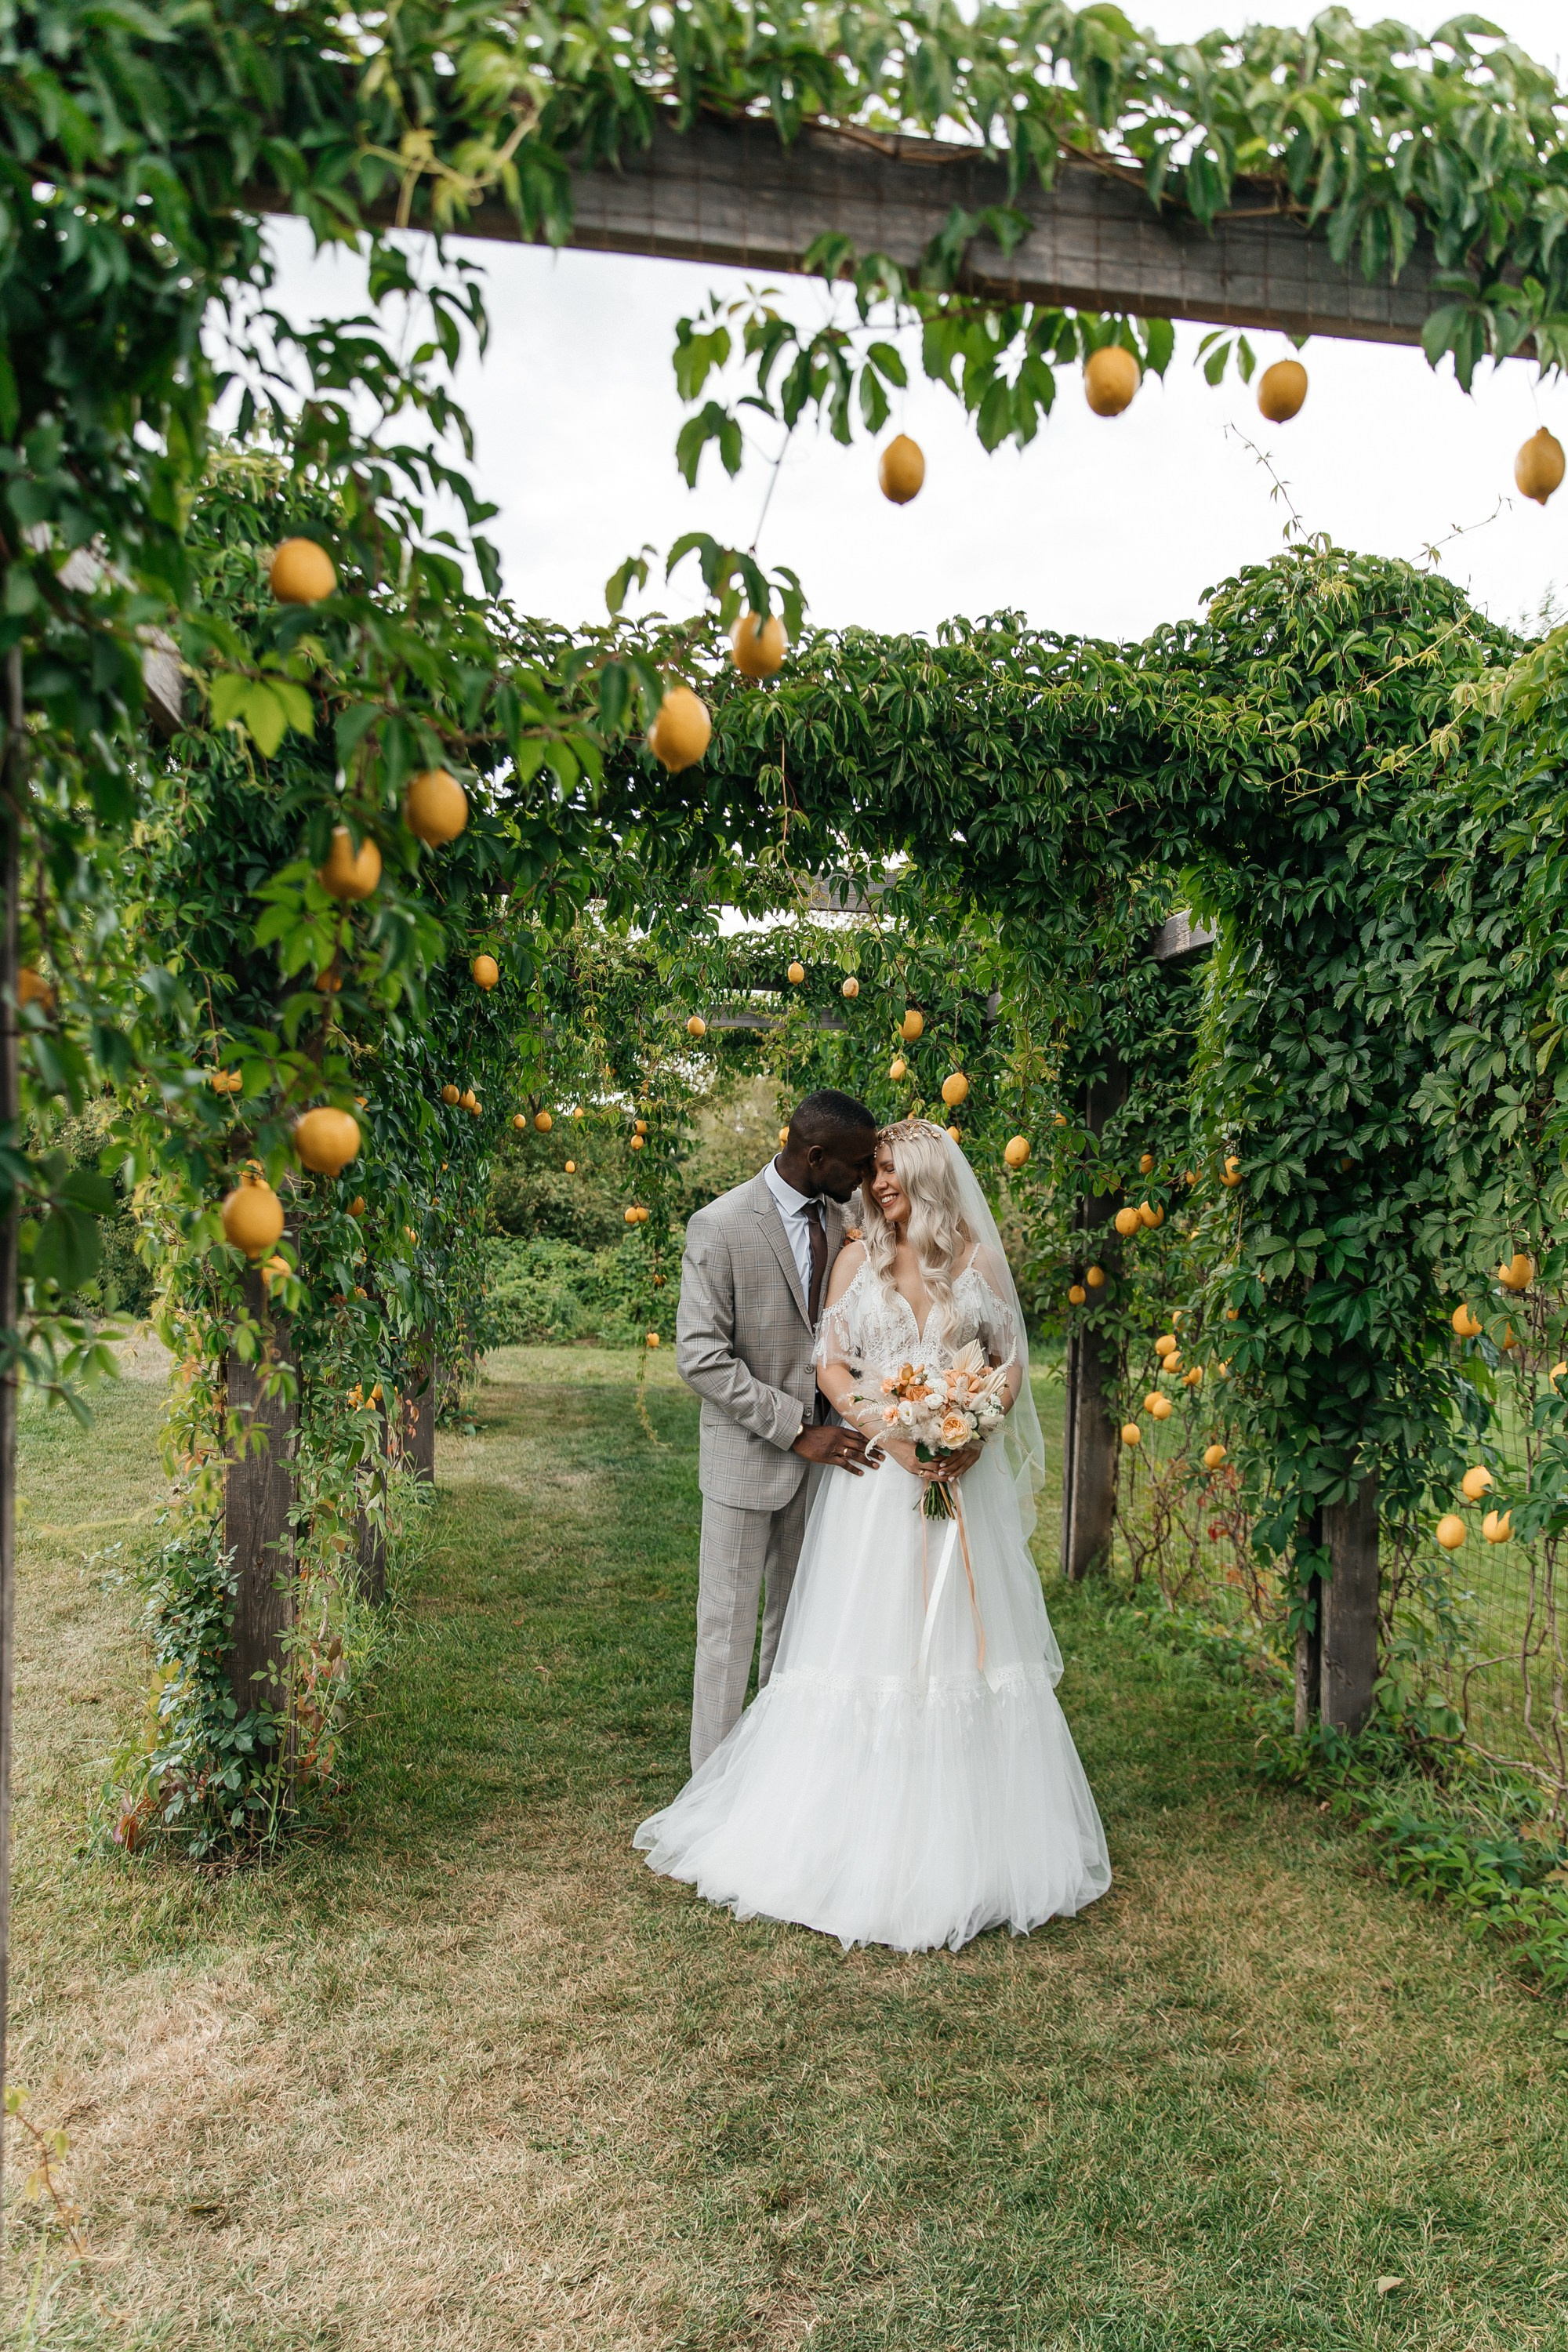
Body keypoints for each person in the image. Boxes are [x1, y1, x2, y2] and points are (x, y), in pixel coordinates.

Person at [639, 1117, 1111, 1953]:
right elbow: (830, 1363)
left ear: (928, 1172)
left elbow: (1006, 1361)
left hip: (957, 1492)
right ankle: (822, 1827)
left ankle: (971, 1843)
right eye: (872, 1168)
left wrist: (971, 1431)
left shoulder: (976, 1260)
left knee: (957, 1655)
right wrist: (893, 1434)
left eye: (890, 1168)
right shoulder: (855, 1253)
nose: (878, 1180)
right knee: (859, 1648)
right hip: (873, 1490)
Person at [673, 1088, 880, 1773]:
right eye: (855, 1164)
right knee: (726, 1633)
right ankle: (709, 1791)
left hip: (832, 1466)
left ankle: (775, 1784)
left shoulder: (849, 1215)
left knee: (797, 1631)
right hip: (750, 1458)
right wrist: (797, 1430)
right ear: (816, 1155)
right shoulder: (721, 1225)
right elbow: (701, 1355)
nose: (864, 1179)